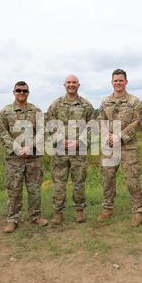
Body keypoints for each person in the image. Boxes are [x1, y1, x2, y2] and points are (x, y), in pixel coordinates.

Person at [0, 81, 49, 233]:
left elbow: (41, 131)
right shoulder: (5, 112)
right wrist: (16, 147)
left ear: (28, 93)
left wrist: (30, 146)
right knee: (14, 190)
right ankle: (13, 219)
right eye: (18, 90)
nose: (21, 93)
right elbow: (2, 132)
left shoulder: (36, 111)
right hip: (14, 159)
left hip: (33, 158)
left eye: (24, 91)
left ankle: (36, 216)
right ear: (13, 92)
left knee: (34, 189)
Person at [97, 69, 142, 227]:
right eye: (115, 80)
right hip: (110, 147)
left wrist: (121, 136)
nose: (118, 83)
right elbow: (100, 121)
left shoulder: (134, 101)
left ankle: (137, 211)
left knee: (132, 179)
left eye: (120, 80)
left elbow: (139, 122)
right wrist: (108, 136)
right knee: (107, 178)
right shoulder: (105, 102)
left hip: (128, 146)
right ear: (112, 82)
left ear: (126, 82)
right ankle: (108, 208)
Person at [46, 75, 94, 224]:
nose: (71, 85)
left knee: (79, 182)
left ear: (78, 85)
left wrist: (80, 142)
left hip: (79, 152)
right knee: (59, 183)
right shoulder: (56, 104)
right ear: (64, 85)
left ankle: (79, 211)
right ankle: (58, 212)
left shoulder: (86, 105)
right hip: (60, 151)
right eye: (69, 82)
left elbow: (92, 127)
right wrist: (60, 139)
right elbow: (49, 123)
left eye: (74, 82)